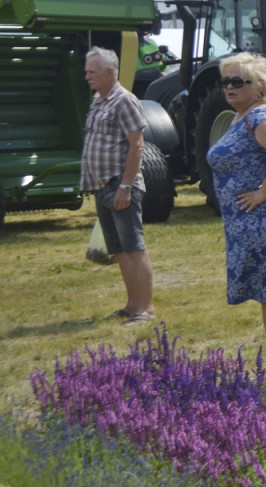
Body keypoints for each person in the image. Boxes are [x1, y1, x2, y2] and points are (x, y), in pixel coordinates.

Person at [206, 52, 266, 379]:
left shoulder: (259, 117)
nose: (229, 87)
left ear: (258, 87)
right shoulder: (240, 116)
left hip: (264, 220)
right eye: (225, 81)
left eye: (238, 81)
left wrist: (263, 190)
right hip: (252, 222)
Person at [81, 47, 156, 324]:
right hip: (103, 187)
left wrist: (125, 187)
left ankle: (146, 309)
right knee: (119, 250)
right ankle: (132, 304)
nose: (87, 76)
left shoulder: (124, 100)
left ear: (110, 72)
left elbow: (136, 145)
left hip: (120, 185)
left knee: (134, 247)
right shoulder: (98, 100)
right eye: (86, 71)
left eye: (92, 72)